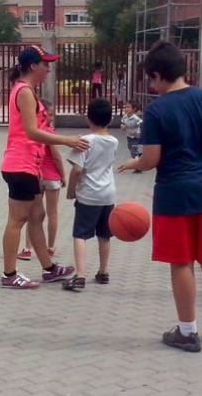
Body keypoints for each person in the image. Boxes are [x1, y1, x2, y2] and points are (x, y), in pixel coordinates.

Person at [118, 41, 202, 352]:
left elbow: (151, 159)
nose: (150, 85)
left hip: (174, 194)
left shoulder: (158, 109)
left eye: (150, 79)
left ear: (158, 75)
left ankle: (187, 332)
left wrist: (133, 163)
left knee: (181, 261)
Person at [0, 45, 89, 289]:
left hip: (29, 165)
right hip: (20, 164)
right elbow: (31, 131)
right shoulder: (24, 91)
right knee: (17, 220)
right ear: (32, 66)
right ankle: (9, 274)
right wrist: (67, 140)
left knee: (37, 216)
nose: (48, 69)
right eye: (45, 64)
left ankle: (49, 269)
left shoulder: (24, 90)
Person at [62, 98, 118, 291]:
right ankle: (103, 272)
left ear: (89, 118)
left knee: (80, 234)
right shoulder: (114, 141)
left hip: (89, 194)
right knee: (104, 235)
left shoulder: (85, 141)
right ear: (110, 119)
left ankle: (80, 275)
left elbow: (77, 170)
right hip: (108, 194)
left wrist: (71, 191)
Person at [17, 99, 66, 260]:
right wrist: (63, 175)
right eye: (49, 114)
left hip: (36, 176)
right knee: (52, 213)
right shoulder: (48, 133)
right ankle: (50, 247)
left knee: (33, 214)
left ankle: (27, 249)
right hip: (51, 177)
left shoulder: (32, 131)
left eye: (52, 115)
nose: (51, 118)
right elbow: (57, 157)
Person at [121, 100, 143, 168]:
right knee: (130, 147)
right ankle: (140, 156)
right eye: (125, 107)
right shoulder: (125, 117)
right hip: (129, 136)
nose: (126, 109)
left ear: (134, 109)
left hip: (136, 137)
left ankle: (137, 165)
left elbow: (141, 124)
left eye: (128, 107)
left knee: (133, 150)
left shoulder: (136, 118)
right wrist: (123, 126)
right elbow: (123, 123)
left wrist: (139, 132)